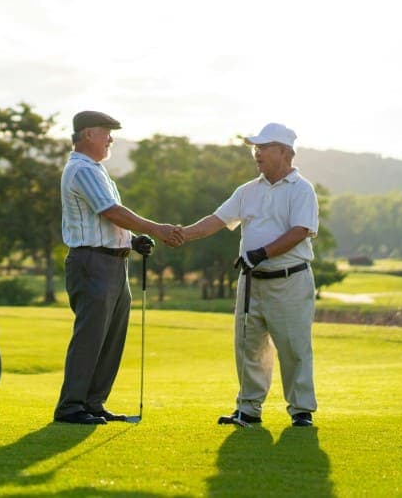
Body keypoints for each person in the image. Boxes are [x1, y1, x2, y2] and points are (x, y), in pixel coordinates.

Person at [182, 122, 319, 427]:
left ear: (284, 152)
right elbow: (216, 221)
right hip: (252, 279)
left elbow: (300, 231)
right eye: (255, 148)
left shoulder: (302, 189)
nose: (256, 154)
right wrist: (180, 234)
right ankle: (248, 409)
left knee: (294, 347)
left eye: (263, 148)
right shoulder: (248, 190)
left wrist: (262, 253)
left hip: (290, 279)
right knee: (248, 345)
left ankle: (300, 410)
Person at [54, 110, 184, 425]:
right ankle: (71, 406)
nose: (111, 138)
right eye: (106, 131)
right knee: (91, 336)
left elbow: (109, 221)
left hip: (112, 262)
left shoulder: (97, 170)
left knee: (111, 337)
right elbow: (111, 211)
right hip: (92, 262)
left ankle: (93, 404)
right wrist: (157, 229)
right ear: (88, 134)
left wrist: (133, 240)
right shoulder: (82, 169)